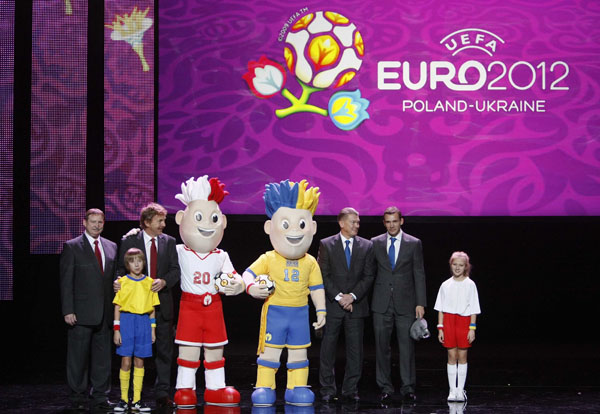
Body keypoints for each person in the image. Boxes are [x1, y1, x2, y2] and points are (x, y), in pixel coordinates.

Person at [242, 179, 326, 407]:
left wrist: (321, 312)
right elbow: (247, 274)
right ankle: (264, 386)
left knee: (299, 355)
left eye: (301, 225)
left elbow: (317, 288)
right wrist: (251, 287)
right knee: (270, 354)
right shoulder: (269, 258)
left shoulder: (310, 262)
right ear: (270, 227)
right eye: (286, 224)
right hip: (275, 313)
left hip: (299, 313)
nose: (294, 231)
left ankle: (297, 387)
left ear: (313, 228)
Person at [172, 176, 244, 408]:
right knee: (189, 350)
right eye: (199, 217)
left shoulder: (220, 255)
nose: (207, 224)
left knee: (215, 350)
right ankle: (185, 389)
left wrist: (236, 285)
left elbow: (234, 277)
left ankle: (215, 389)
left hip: (213, 306)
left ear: (222, 221)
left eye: (213, 218)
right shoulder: (180, 251)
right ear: (182, 219)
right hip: (189, 306)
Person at [116, 202, 180, 408]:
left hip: (162, 305)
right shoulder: (129, 240)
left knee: (164, 350)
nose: (163, 224)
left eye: (163, 220)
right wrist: (118, 283)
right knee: (134, 353)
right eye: (159, 221)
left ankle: (162, 393)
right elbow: (120, 269)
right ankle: (134, 395)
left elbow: (175, 270)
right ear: (146, 222)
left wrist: (164, 282)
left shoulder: (169, 242)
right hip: (136, 309)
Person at [59, 208, 116, 411]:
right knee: (78, 358)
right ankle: (78, 396)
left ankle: (100, 395)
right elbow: (66, 282)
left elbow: (112, 279)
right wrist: (68, 310)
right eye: (92, 221)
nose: (96, 225)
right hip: (80, 312)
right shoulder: (72, 246)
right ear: (84, 223)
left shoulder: (111, 247)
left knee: (103, 359)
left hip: (105, 313)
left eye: (100, 222)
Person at [317, 207, 375, 403]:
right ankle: (327, 389)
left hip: (356, 306)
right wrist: (340, 297)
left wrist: (353, 297)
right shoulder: (326, 244)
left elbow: (369, 276)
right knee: (328, 349)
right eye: (353, 222)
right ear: (341, 223)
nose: (357, 225)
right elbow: (323, 275)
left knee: (355, 350)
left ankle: (350, 389)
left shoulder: (367, 246)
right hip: (334, 306)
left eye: (358, 222)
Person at [371, 206, 427, 403]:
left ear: (401, 221)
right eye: (388, 221)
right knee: (381, 347)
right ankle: (385, 387)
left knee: (406, 347)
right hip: (381, 302)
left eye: (395, 221)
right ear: (384, 223)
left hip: (406, 302)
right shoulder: (375, 243)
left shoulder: (413, 243)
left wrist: (420, 302)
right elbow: (370, 273)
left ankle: (408, 387)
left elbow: (419, 273)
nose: (392, 225)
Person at [113, 248, 160, 412]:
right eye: (132, 261)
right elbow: (117, 306)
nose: (137, 264)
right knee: (126, 360)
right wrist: (116, 329)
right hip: (126, 322)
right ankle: (124, 399)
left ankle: (138, 400)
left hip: (143, 323)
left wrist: (153, 329)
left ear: (143, 262)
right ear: (127, 264)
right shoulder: (122, 282)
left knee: (140, 361)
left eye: (139, 260)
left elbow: (152, 308)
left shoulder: (150, 282)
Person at [435, 251, 481, 402]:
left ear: (466, 267)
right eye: (455, 264)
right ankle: (452, 390)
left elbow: (474, 308)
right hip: (448, 321)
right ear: (451, 265)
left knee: (462, 356)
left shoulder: (470, 284)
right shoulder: (445, 285)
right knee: (451, 356)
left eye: (461, 265)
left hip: (464, 321)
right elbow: (440, 308)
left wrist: (472, 328)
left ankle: (460, 390)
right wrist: (440, 328)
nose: (457, 268)